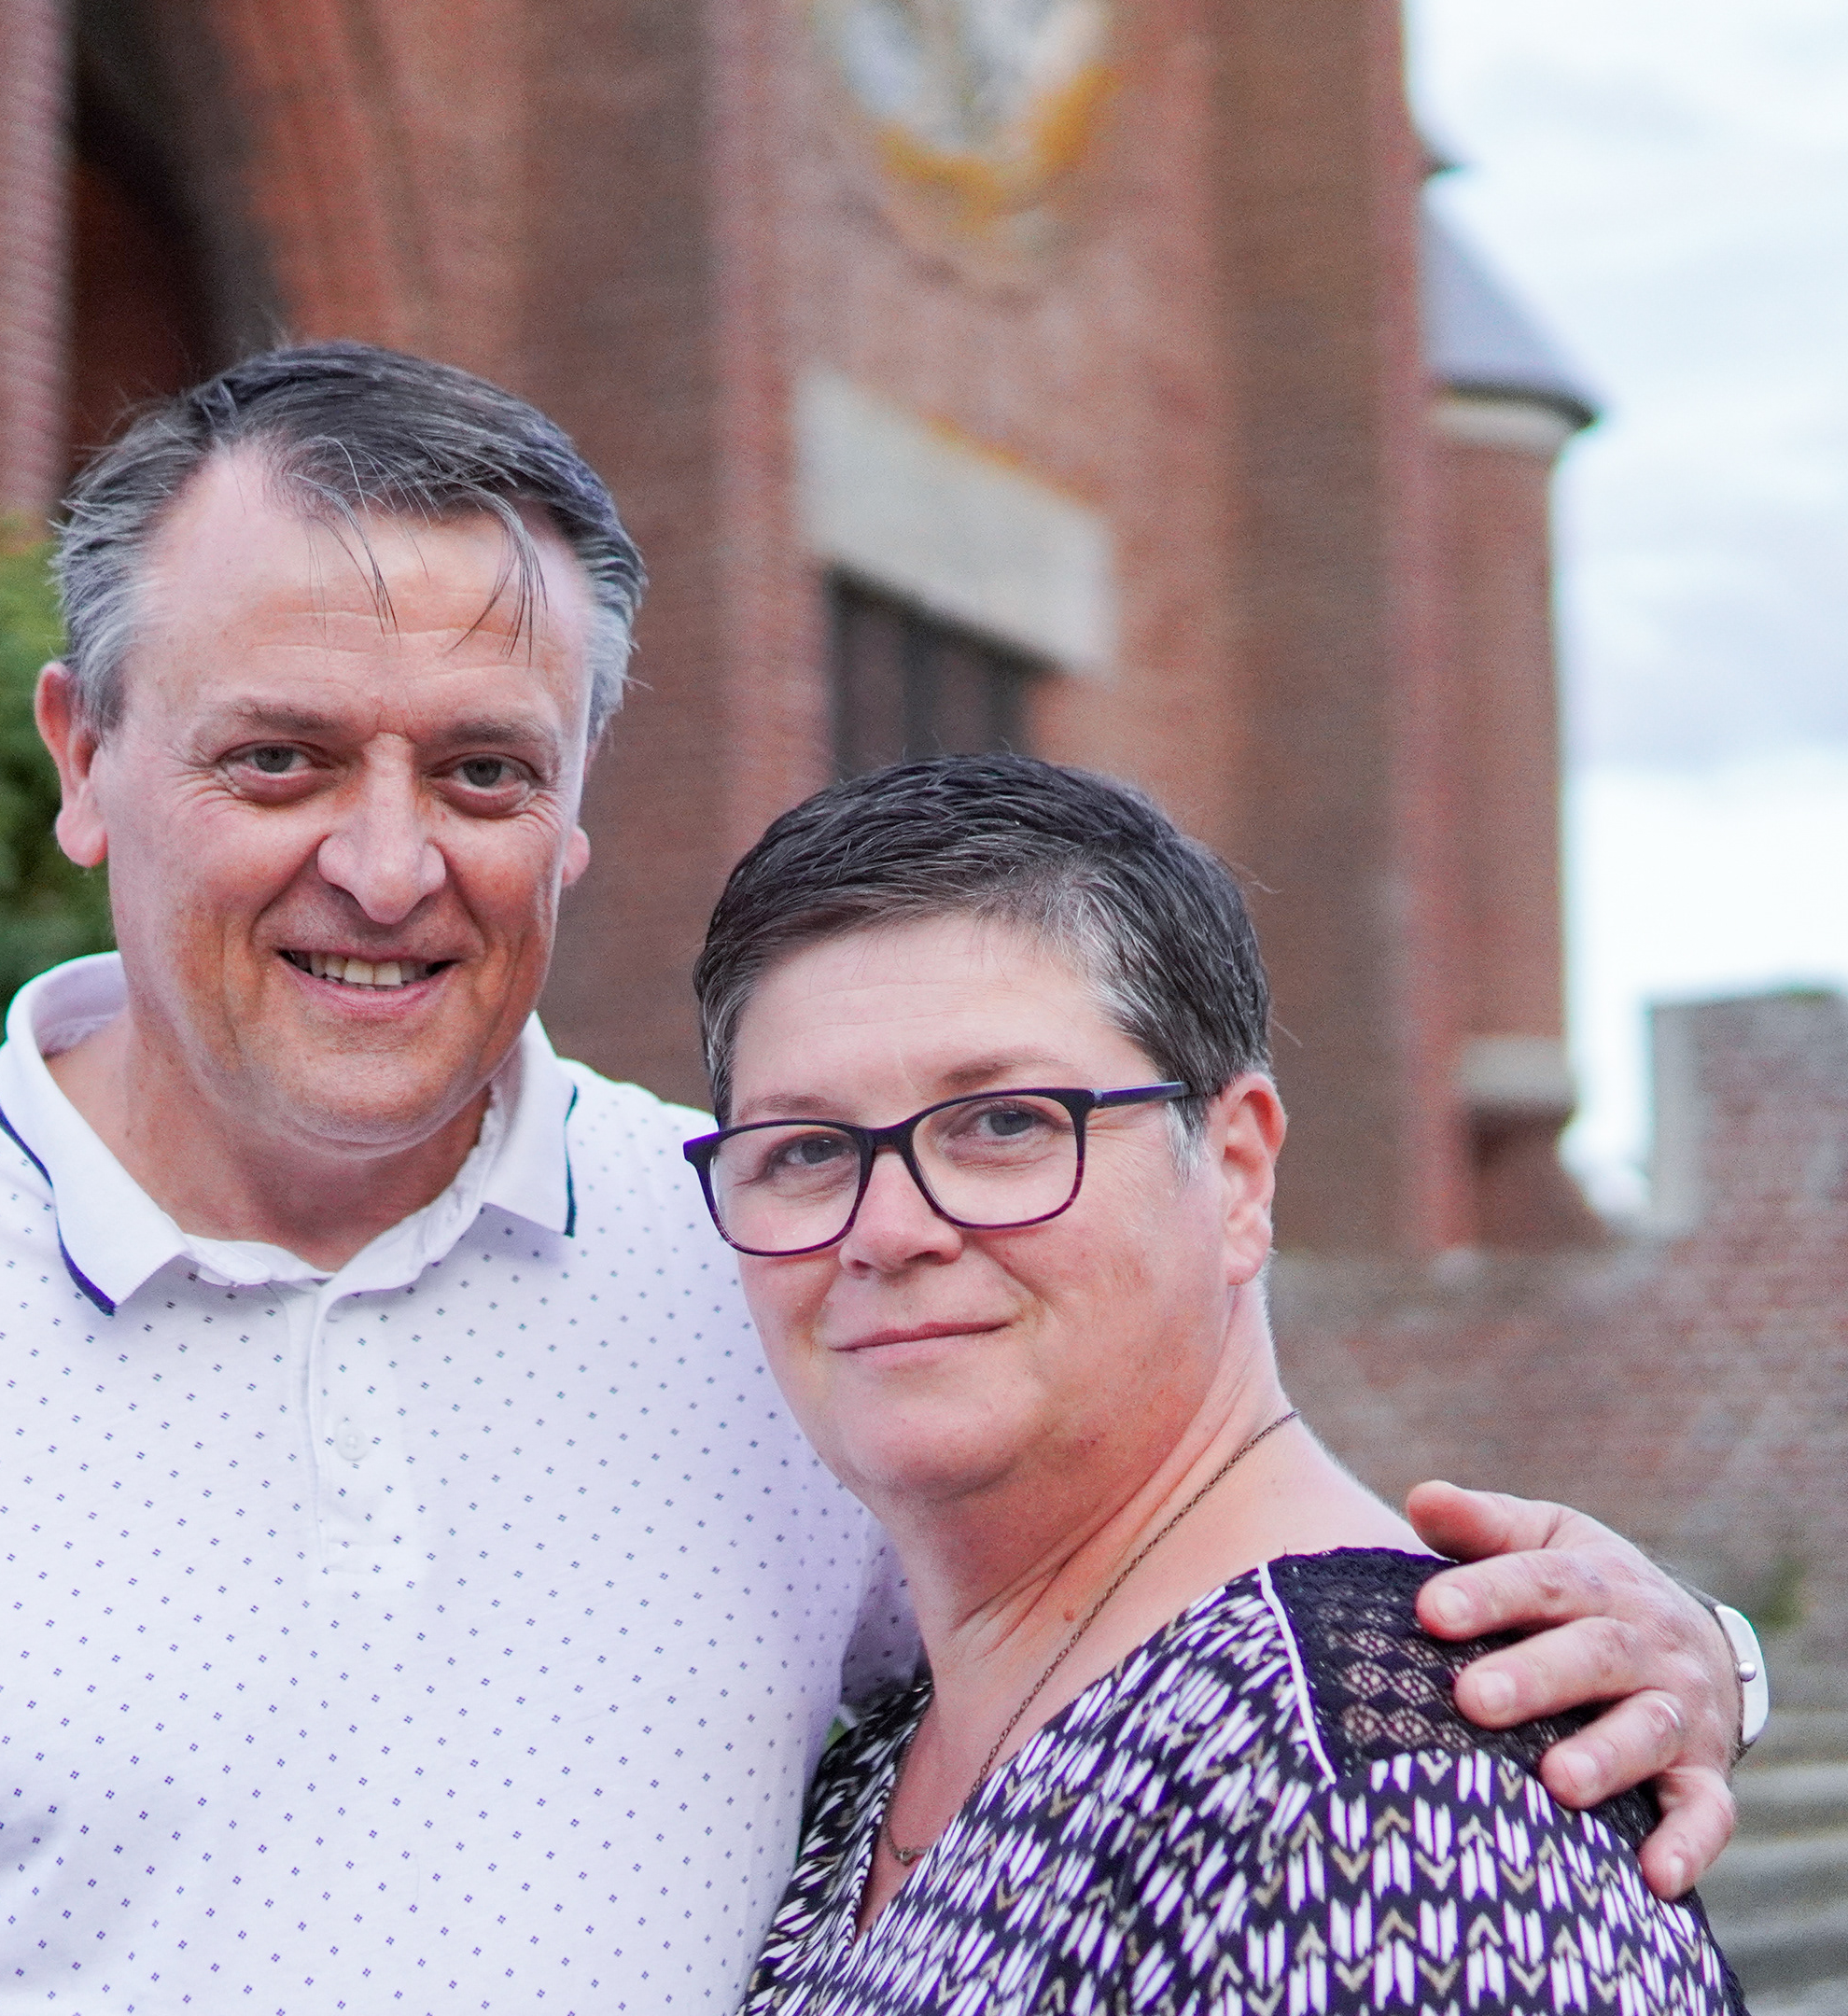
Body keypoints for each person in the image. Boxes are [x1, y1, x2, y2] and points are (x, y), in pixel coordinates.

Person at [0, 344, 1751, 2016]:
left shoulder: (774, 1259)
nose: (385, 865)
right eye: (279, 757)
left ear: (576, 811)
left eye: (483, 771)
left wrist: (1650, 1670)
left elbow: (1161, 1589)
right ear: (85, 754)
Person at [695, 753, 1739, 2011]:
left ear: (1237, 1172)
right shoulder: (884, 1756)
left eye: (1006, 1123)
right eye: (806, 1149)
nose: (888, 1229)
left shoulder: (1385, 1813)